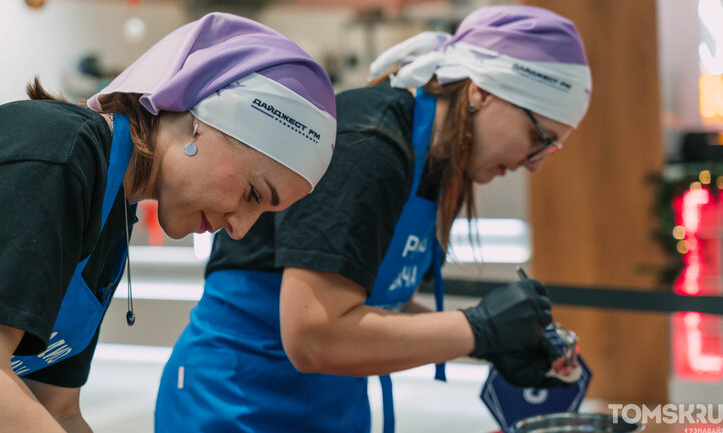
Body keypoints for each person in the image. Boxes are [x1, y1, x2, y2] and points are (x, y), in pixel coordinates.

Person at [155, 5, 591, 433]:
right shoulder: (369, 142)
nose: (535, 164)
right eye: (539, 137)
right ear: (481, 90)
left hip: (331, 406)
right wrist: (477, 329)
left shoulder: (435, 166)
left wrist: (491, 341)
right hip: (235, 404)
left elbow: (373, 304)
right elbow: (312, 336)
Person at [0, 12, 336, 433]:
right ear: (203, 123)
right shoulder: (59, 156)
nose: (241, 228)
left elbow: (57, 409)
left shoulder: (113, 215)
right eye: (253, 194)